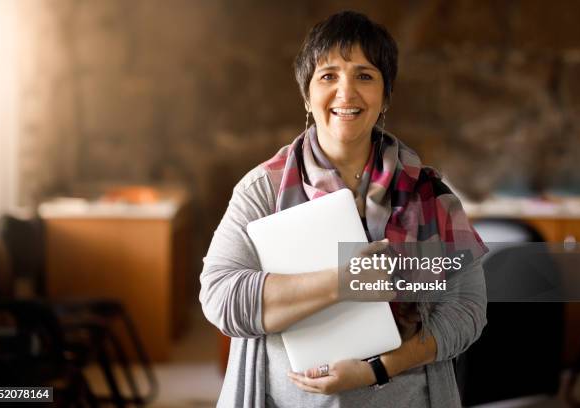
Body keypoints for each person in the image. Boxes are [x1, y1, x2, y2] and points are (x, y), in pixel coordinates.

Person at [200, 10, 488, 408]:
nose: (346, 93)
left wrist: (378, 369)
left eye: (365, 76)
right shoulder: (262, 190)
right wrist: (344, 282)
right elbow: (222, 300)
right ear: (306, 94)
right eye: (329, 75)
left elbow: (467, 309)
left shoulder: (430, 193)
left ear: (386, 95)